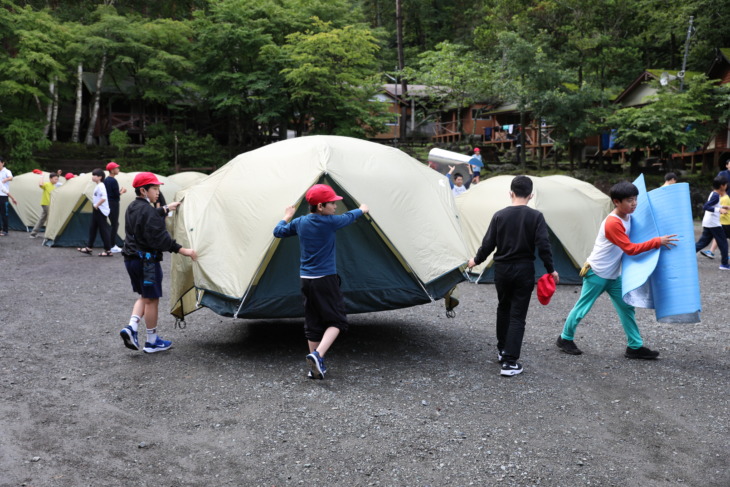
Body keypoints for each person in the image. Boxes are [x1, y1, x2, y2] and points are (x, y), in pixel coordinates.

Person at [557, 181, 678, 359]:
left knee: (627, 307)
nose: (634, 203)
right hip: (597, 272)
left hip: (613, 274)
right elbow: (630, 248)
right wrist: (656, 242)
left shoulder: (629, 216)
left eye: (635, 199)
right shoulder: (613, 223)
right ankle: (565, 338)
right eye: (629, 200)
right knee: (583, 307)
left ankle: (634, 346)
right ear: (616, 202)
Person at [272, 184, 368, 379]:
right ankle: (317, 354)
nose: (335, 206)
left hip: (306, 280)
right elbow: (350, 216)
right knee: (338, 321)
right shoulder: (330, 222)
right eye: (332, 204)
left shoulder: (300, 222)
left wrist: (287, 216)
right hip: (325, 279)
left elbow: (278, 232)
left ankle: (313, 368)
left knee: (313, 320)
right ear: (321, 207)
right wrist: (362, 209)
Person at [467, 175, 558, 377]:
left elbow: (488, 244)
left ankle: (502, 350)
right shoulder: (536, 217)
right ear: (531, 195)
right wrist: (551, 269)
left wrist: (476, 260)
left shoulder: (499, 215)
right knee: (518, 315)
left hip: (502, 270)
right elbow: (544, 245)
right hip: (524, 270)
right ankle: (510, 362)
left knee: (504, 308)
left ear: (511, 193)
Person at [119, 172, 197, 354]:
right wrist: (184, 251)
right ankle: (151, 341)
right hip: (146, 262)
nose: (157, 192)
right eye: (154, 189)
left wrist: (165, 209)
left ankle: (131, 327)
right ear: (143, 190)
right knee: (152, 299)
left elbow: (147, 217)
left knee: (144, 296)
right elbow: (161, 239)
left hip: (130, 259)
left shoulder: (132, 206)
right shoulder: (147, 210)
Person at [76, 168, 113, 257]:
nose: (92, 177)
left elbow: (104, 198)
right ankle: (89, 248)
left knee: (103, 230)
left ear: (100, 177)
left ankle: (108, 250)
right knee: (93, 228)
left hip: (100, 210)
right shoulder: (97, 185)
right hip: (97, 210)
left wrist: (97, 205)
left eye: (94, 175)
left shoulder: (101, 186)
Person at [694, 177, 729, 270]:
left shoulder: (713, 193)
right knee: (723, 243)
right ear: (722, 186)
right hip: (714, 223)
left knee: (703, 242)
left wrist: (722, 206)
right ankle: (724, 264)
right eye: (725, 184)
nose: (726, 186)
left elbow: (713, 205)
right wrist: (719, 209)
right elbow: (706, 206)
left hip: (708, 222)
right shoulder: (716, 196)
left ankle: (686, 255)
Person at [104, 161, 127, 252]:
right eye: (117, 168)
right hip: (113, 203)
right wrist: (122, 191)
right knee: (115, 224)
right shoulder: (113, 180)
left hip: (107, 203)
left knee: (113, 224)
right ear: (112, 170)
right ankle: (112, 245)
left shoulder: (106, 180)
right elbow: (116, 195)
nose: (118, 169)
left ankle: (110, 244)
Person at [29, 172, 59, 238]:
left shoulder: (54, 186)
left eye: (57, 179)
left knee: (42, 219)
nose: (56, 180)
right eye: (55, 179)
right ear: (50, 179)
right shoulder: (47, 184)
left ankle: (33, 233)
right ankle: (49, 235)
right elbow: (40, 184)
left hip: (50, 204)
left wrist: (58, 174)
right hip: (46, 204)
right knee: (50, 218)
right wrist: (41, 176)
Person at [0, 156, 13, 236]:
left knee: (4, 213)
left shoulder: (6, 171)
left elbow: (11, 178)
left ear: (3, 163)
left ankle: (5, 230)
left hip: (4, 195)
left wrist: (6, 179)